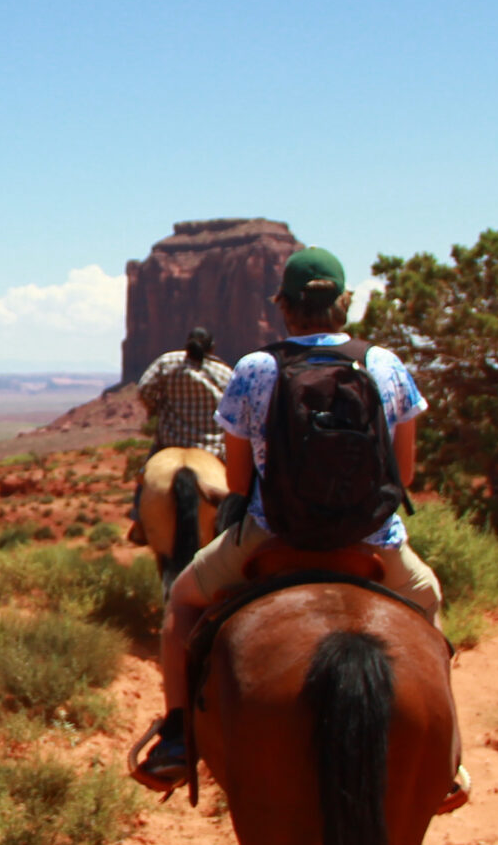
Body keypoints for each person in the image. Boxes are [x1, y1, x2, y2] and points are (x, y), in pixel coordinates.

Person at [130, 245, 465, 806]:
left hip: (273, 536)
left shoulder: (254, 369)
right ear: (344, 304)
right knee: (428, 604)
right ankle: (447, 758)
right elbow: (403, 474)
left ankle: (179, 738)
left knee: (182, 605)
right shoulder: (385, 365)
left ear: (283, 306)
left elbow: (238, 481)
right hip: (374, 543)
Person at [126, 325, 233, 546]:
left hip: (169, 442)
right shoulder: (224, 372)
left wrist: (156, 407)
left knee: (145, 476)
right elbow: (233, 407)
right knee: (237, 484)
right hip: (212, 449)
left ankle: (139, 520)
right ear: (212, 348)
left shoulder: (168, 362)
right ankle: (236, 522)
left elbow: (144, 389)